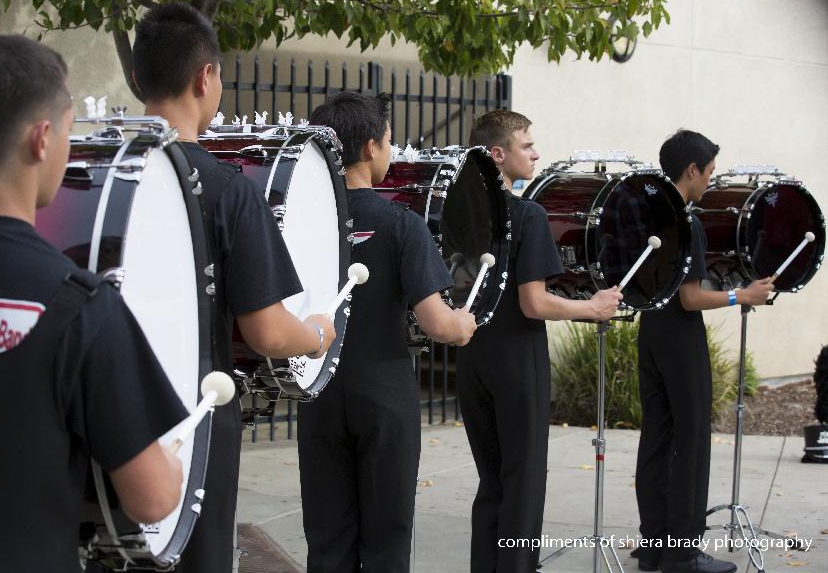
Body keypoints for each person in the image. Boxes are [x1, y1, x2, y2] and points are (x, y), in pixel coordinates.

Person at [0, 35, 187, 573]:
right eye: (69, 132)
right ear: (42, 139)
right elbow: (153, 499)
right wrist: (172, 464)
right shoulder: (81, 305)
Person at [131, 3, 337, 573]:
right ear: (206, 78)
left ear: (137, 80)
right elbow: (267, 333)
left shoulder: (102, 176)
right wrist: (316, 335)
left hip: (107, 413)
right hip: (195, 419)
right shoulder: (228, 189)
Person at [297, 91, 478, 571]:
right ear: (370, 147)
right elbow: (436, 323)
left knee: (327, 541)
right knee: (386, 542)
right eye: (389, 140)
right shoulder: (402, 224)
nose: (392, 151)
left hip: (318, 389)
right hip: (384, 394)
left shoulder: (301, 222)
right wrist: (463, 325)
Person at [459, 110, 622, 572]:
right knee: (523, 482)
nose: (536, 153)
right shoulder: (527, 214)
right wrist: (592, 307)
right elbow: (533, 303)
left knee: (491, 480)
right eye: (527, 145)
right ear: (497, 154)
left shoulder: (459, 213)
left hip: (472, 356)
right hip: (518, 358)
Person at [631, 130, 773, 573]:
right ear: (691, 170)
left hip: (650, 330)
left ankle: (653, 546)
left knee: (656, 438)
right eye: (709, 172)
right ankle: (683, 553)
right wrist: (741, 295)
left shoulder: (646, 211)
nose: (711, 180)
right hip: (680, 334)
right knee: (691, 442)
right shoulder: (684, 220)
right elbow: (690, 298)